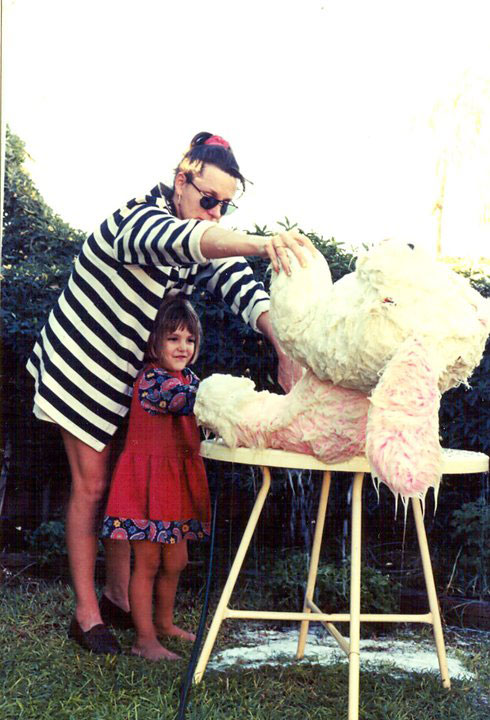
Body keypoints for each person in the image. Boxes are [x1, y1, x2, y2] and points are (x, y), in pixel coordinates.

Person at [27, 130, 315, 654]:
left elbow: (237, 283)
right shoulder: (136, 221)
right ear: (181, 180)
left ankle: (118, 595)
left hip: (129, 377)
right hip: (83, 367)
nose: (214, 213)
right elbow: (186, 243)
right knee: (91, 487)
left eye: (225, 205)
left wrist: (282, 348)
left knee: (118, 486)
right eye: (208, 200)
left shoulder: (197, 226)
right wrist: (262, 242)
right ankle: (87, 615)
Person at [100, 296, 208, 660]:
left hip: (174, 484)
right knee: (146, 562)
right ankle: (143, 639)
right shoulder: (154, 381)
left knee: (177, 561)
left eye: (189, 340)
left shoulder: (189, 377)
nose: (182, 347)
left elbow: (197, 404)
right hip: (147, 483)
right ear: (155, 342)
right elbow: (190, 401)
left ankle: (163, 623)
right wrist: (227, 401)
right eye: (173, 338)